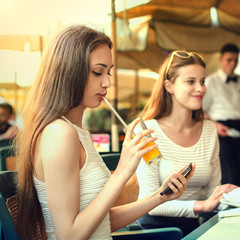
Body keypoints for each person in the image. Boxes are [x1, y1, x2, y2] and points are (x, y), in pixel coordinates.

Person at [15, 25, 194, 240]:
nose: (107, 82)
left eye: (108, 72)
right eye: (97, 72)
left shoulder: (77, 132)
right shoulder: (60, 134)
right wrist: (122, 172)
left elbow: (100, 222)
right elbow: (69, 235)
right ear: (69, 70)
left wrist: (160, 196)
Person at [136, 50, 240, 236]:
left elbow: (212, 195)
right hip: (156, 231)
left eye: (202, 81)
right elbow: (149, 203)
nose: (200, 89)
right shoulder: (146, 131)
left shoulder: (209, 130)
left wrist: (239, 197)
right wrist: (203, 206)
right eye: (190, 81)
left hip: (194, 228)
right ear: (169, 86)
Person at [203, 43, 240, 186]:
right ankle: (226, 205)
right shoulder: (211, 82)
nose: (233, 63)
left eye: (235, 60)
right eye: (229, 59)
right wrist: (215, 125)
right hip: (219, 130)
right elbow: (200, 110)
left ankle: (238, 203)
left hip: (238, 129)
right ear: (221, 60)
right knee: (227, 172)